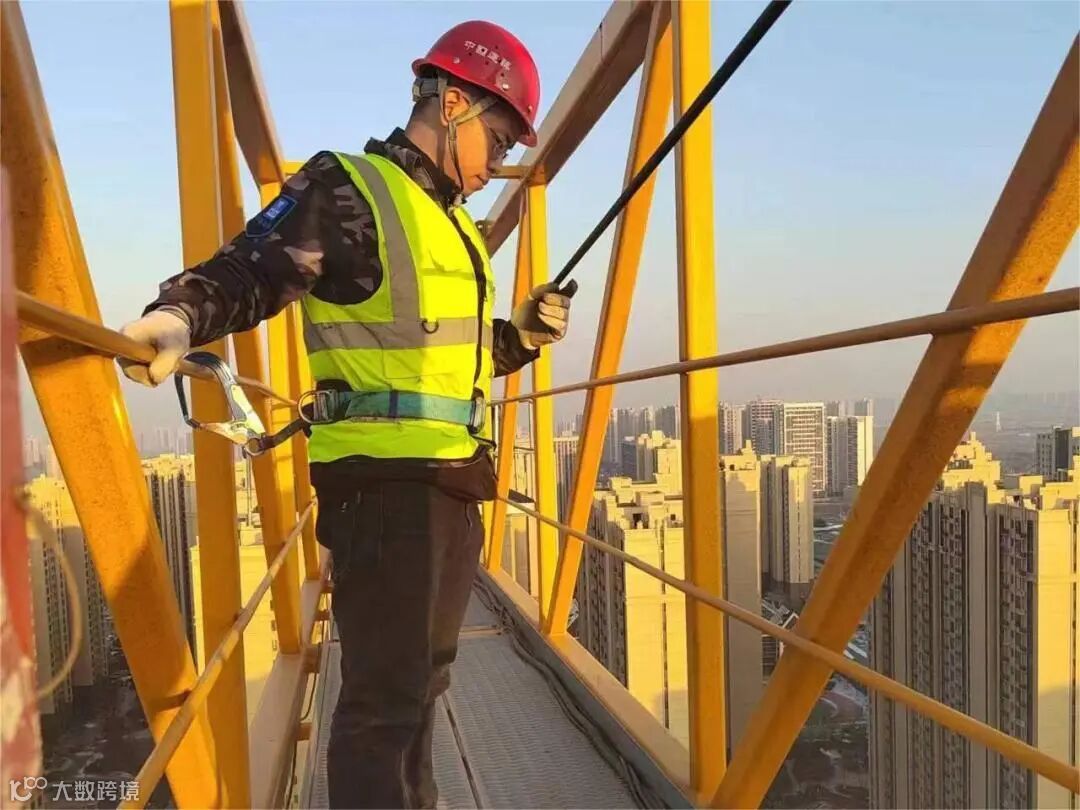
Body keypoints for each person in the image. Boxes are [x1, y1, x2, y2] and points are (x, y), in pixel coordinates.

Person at [117, 20, 573, 808]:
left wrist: (521, 337)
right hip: (387, 489)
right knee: (386, 702)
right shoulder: (351, 189)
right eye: (497, 141)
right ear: (453, 104)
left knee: (420, 687)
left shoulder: (453, 226)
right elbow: (253, 267)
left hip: (450, 482)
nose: (497, 164)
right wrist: (181, 314)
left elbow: (443, 366)